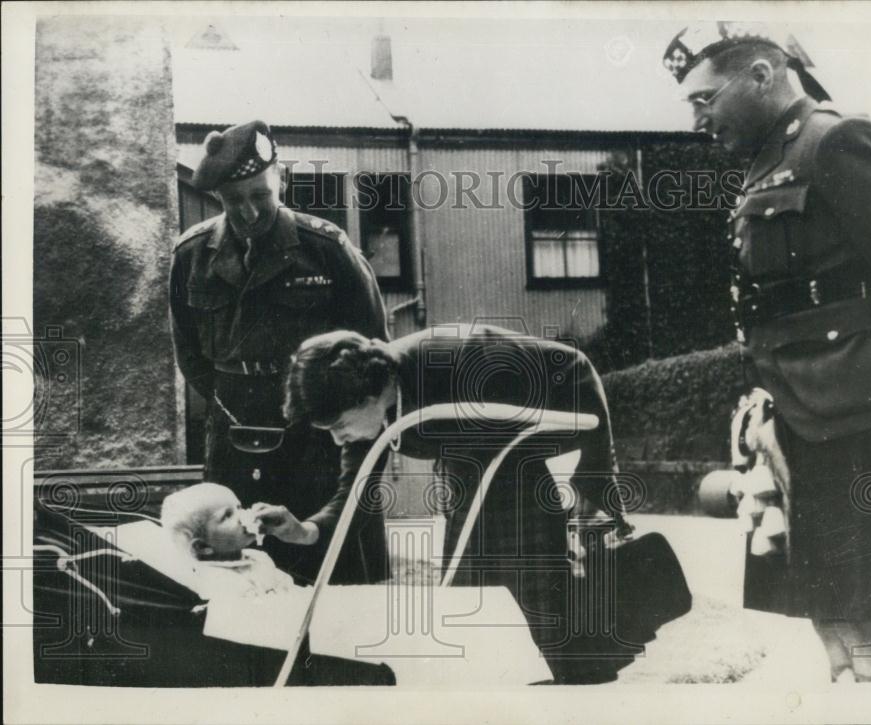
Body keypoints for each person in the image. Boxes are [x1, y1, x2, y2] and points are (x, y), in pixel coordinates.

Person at [665, 22, 871, 682]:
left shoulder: (836, 140)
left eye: (704, 99)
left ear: (763, 75)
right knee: (831, 623)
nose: (697, 120)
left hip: (864, 411)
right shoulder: (764, 164)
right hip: (801, 411)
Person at [259, 323, 639, 683]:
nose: (339, 440)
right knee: (466, 623)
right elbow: (356, 494)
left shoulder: (458, 354)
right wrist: (305, 531)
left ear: (368, 394)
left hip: (520, 475)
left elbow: (574, 366)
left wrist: (595, 483)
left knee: (542, 621)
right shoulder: (367, 416)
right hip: (466, 483)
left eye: (339, 426)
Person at [169, 120, 390, 585]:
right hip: (235, 431)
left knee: (332, 566)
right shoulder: (192, 256)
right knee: (238, 567)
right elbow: (188, 350)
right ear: (218, 198)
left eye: (260, 196)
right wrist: (231, 400)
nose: (248, 212)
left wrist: (328, 409)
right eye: (234, 201)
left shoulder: (326, 249)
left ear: (280, 182)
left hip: (317, 433)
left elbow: (374, 351)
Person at [159, 482, 295, 599]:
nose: (242, 515)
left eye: (239, 507)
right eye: (227, 515)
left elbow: (287, 586)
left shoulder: (258, 557)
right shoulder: (217, 581)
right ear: (203, 546)